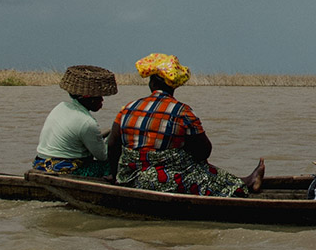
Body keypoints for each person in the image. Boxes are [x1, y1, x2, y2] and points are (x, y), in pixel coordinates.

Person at [107, 53, 264, 196]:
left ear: (152, 83)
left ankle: (247, 180)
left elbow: (113, 145)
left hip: (130, 178)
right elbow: (204, 151)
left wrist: (116, 177)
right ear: (174, 85)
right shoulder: (182, 112)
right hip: (162, 183)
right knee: (205, 172)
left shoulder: (127, 108)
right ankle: (246, 183)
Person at [33, 65, 119, 177]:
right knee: (111, 163)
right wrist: (114, 138)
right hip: (63, 170)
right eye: (99, 97)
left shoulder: (60, 106)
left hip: (40, 164)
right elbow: (103, 156)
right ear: (89, 98)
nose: (102, 100)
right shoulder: (87, 123)